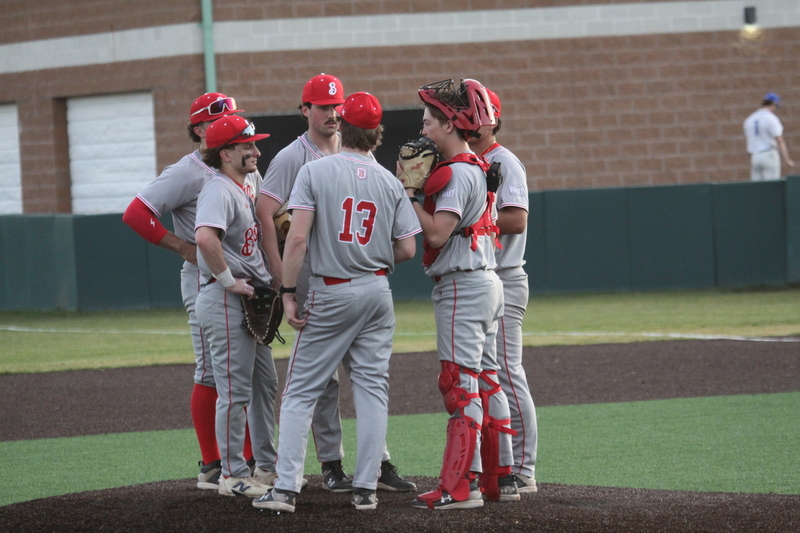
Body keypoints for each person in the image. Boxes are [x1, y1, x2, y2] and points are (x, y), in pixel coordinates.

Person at [253, 92, 420, 513]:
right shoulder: (389, 181)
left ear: (342, 124)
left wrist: (289, 292)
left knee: (299, 392)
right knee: (371, 390)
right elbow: (407, 249)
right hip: (378, 291)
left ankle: (286, 489)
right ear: (378, 134)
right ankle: (366, 488)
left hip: (332, 289)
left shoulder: (317, 171)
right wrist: (373, 255)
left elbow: (296, 237)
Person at [122, 93, 253, 491]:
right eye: (218, 121)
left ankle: (250, 457)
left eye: (232, 118)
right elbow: (136, 212)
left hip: (241, 277)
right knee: (213, 372)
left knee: (240, 371)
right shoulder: (187, 171)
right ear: (198, 129)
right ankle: (213, 464)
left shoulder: (242, 165)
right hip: (204, 280)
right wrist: (182, 248)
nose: (230, 124)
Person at [405, 78, 518, 510]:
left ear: (451, 125)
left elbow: (435, 232)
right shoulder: (480, 167)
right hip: (486, 283)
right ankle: (497, 479)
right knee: (486, 380)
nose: (424, 126)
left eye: (430, 119)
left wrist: (409, 194)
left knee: (459, 386)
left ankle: (459, 486)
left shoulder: (456, 173)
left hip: (464, 286)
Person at [194, 115, 277, 498]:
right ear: (225, 152)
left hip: (250, 299)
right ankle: (231, 474)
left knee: (265, 385)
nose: (256, 151)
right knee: (234, 391)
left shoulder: (242, 186)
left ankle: (266, 467)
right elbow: (205, 240)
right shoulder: (218, 189)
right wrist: (229, 281)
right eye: (247, 146)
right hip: (225, 298)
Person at [467, 87, 538, 494]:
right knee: (480, 376)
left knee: (508, 374)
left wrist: (469, 218)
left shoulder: (503, 161)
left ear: (493, 119)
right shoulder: (465, 160)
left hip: (506, 277)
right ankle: (496, 464)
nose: (472, 121)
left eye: (478, 114)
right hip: (478, 279)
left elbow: (516, 220)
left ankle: (525, 468)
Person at [743, 92, 795, 181]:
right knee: (772, 187)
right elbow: (779, 140)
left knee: (757, 189)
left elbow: (749, 142)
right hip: (769, 154)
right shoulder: (771, 118)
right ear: (773, 104)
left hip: (755, 156)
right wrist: (786, 160)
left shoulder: (749, 119)